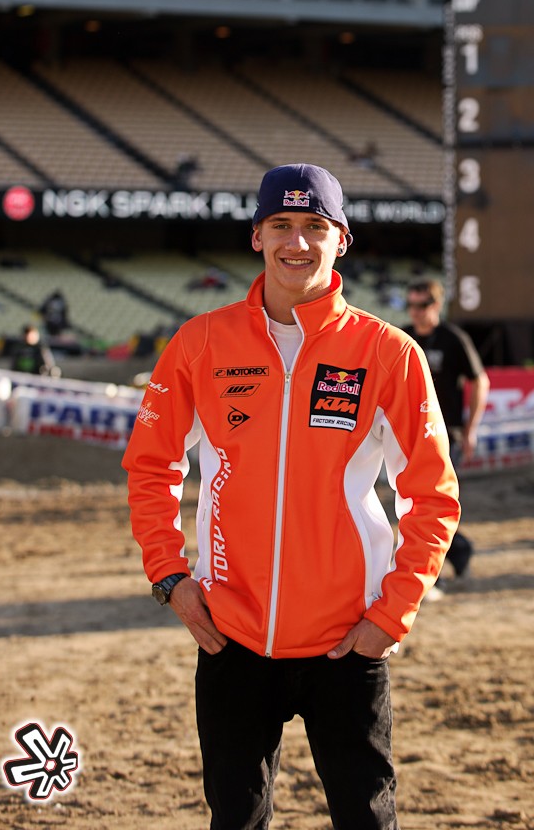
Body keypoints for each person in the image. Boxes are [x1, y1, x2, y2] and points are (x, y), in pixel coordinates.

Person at [122, 163, 460, 830]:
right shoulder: (200, 343)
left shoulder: (388, 353)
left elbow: (433, 495)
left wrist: (391, 616)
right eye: (281, 224)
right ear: (257, 236)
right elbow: (150, 464)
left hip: (347, 642)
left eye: (315, 226)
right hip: (231, 639)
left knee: (367, 821)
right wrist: (168, 576)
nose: (296, 242)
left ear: (342, 240)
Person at [404, 279, 489, 583]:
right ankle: (458, 550)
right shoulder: (403, 337)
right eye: (411, 305)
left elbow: (480, 380)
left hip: (445, 435)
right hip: (409, 435)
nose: (416, 311)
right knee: (418, 505)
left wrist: (470, 429)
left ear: (437, 305)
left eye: (422, 305)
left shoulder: (453, 338)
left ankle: (433, 573)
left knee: (431, 503)